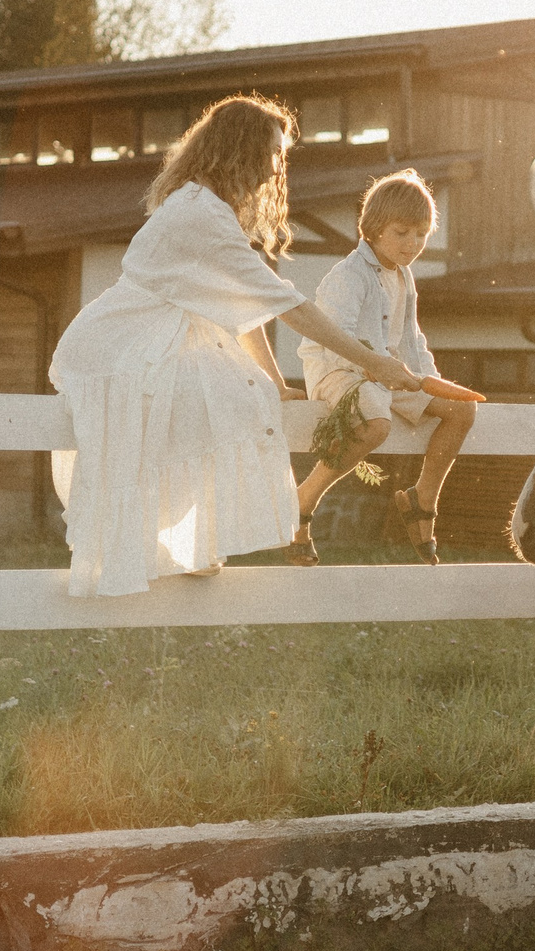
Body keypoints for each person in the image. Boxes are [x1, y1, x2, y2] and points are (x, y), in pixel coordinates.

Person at [48, 95, 419, 596]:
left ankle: (191, 543)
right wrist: (374, 362)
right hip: (126, 341)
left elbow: (247, 309)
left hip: (161, 336)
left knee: (245, 395)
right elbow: (292, 308)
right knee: (228, 402)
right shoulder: (199, 212)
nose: (274, 169)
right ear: (240, 151)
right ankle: (190, 542)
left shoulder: (209, 210)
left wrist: (275, 380)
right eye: (271, 153)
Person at [288, 169, 483, 566]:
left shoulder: (404, 276)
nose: (413, 244)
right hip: (337, 371)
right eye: (402, 232)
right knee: (376, 424)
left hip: (388, 376)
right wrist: (378, 368)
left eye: (421, 234)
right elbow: (334, 338)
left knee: (462, 409)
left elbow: (411, 342)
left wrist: (431, 380)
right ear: (374, 228)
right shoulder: (348, 275)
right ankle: (303, 502)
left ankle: (421, 500)